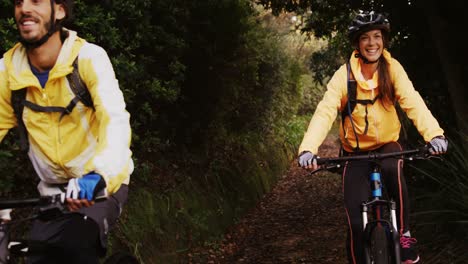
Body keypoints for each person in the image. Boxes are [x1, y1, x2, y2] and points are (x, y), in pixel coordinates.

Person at [297, 10, 447, 264]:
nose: (372, 43)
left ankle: (405, 235)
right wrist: (308, 149)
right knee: (356, 224)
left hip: (389, 144)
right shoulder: (343, 76)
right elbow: (324, 112)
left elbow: (413, 102)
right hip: (355, 153)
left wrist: (435, 135)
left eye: (377, 36)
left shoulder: (393, 69)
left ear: (383, 40)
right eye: (365, 37)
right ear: (357, 43)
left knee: (392, 168)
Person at [0, 0, 133, 263]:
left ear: (59, 10)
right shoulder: (7, 71)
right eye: (18, 2)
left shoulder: (88, 58)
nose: (24, 8)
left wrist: (98, 176)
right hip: (49, 192)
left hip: (98, 186)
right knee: (37, 256)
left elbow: (115, 121)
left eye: (35, 1)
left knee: (73, 245)